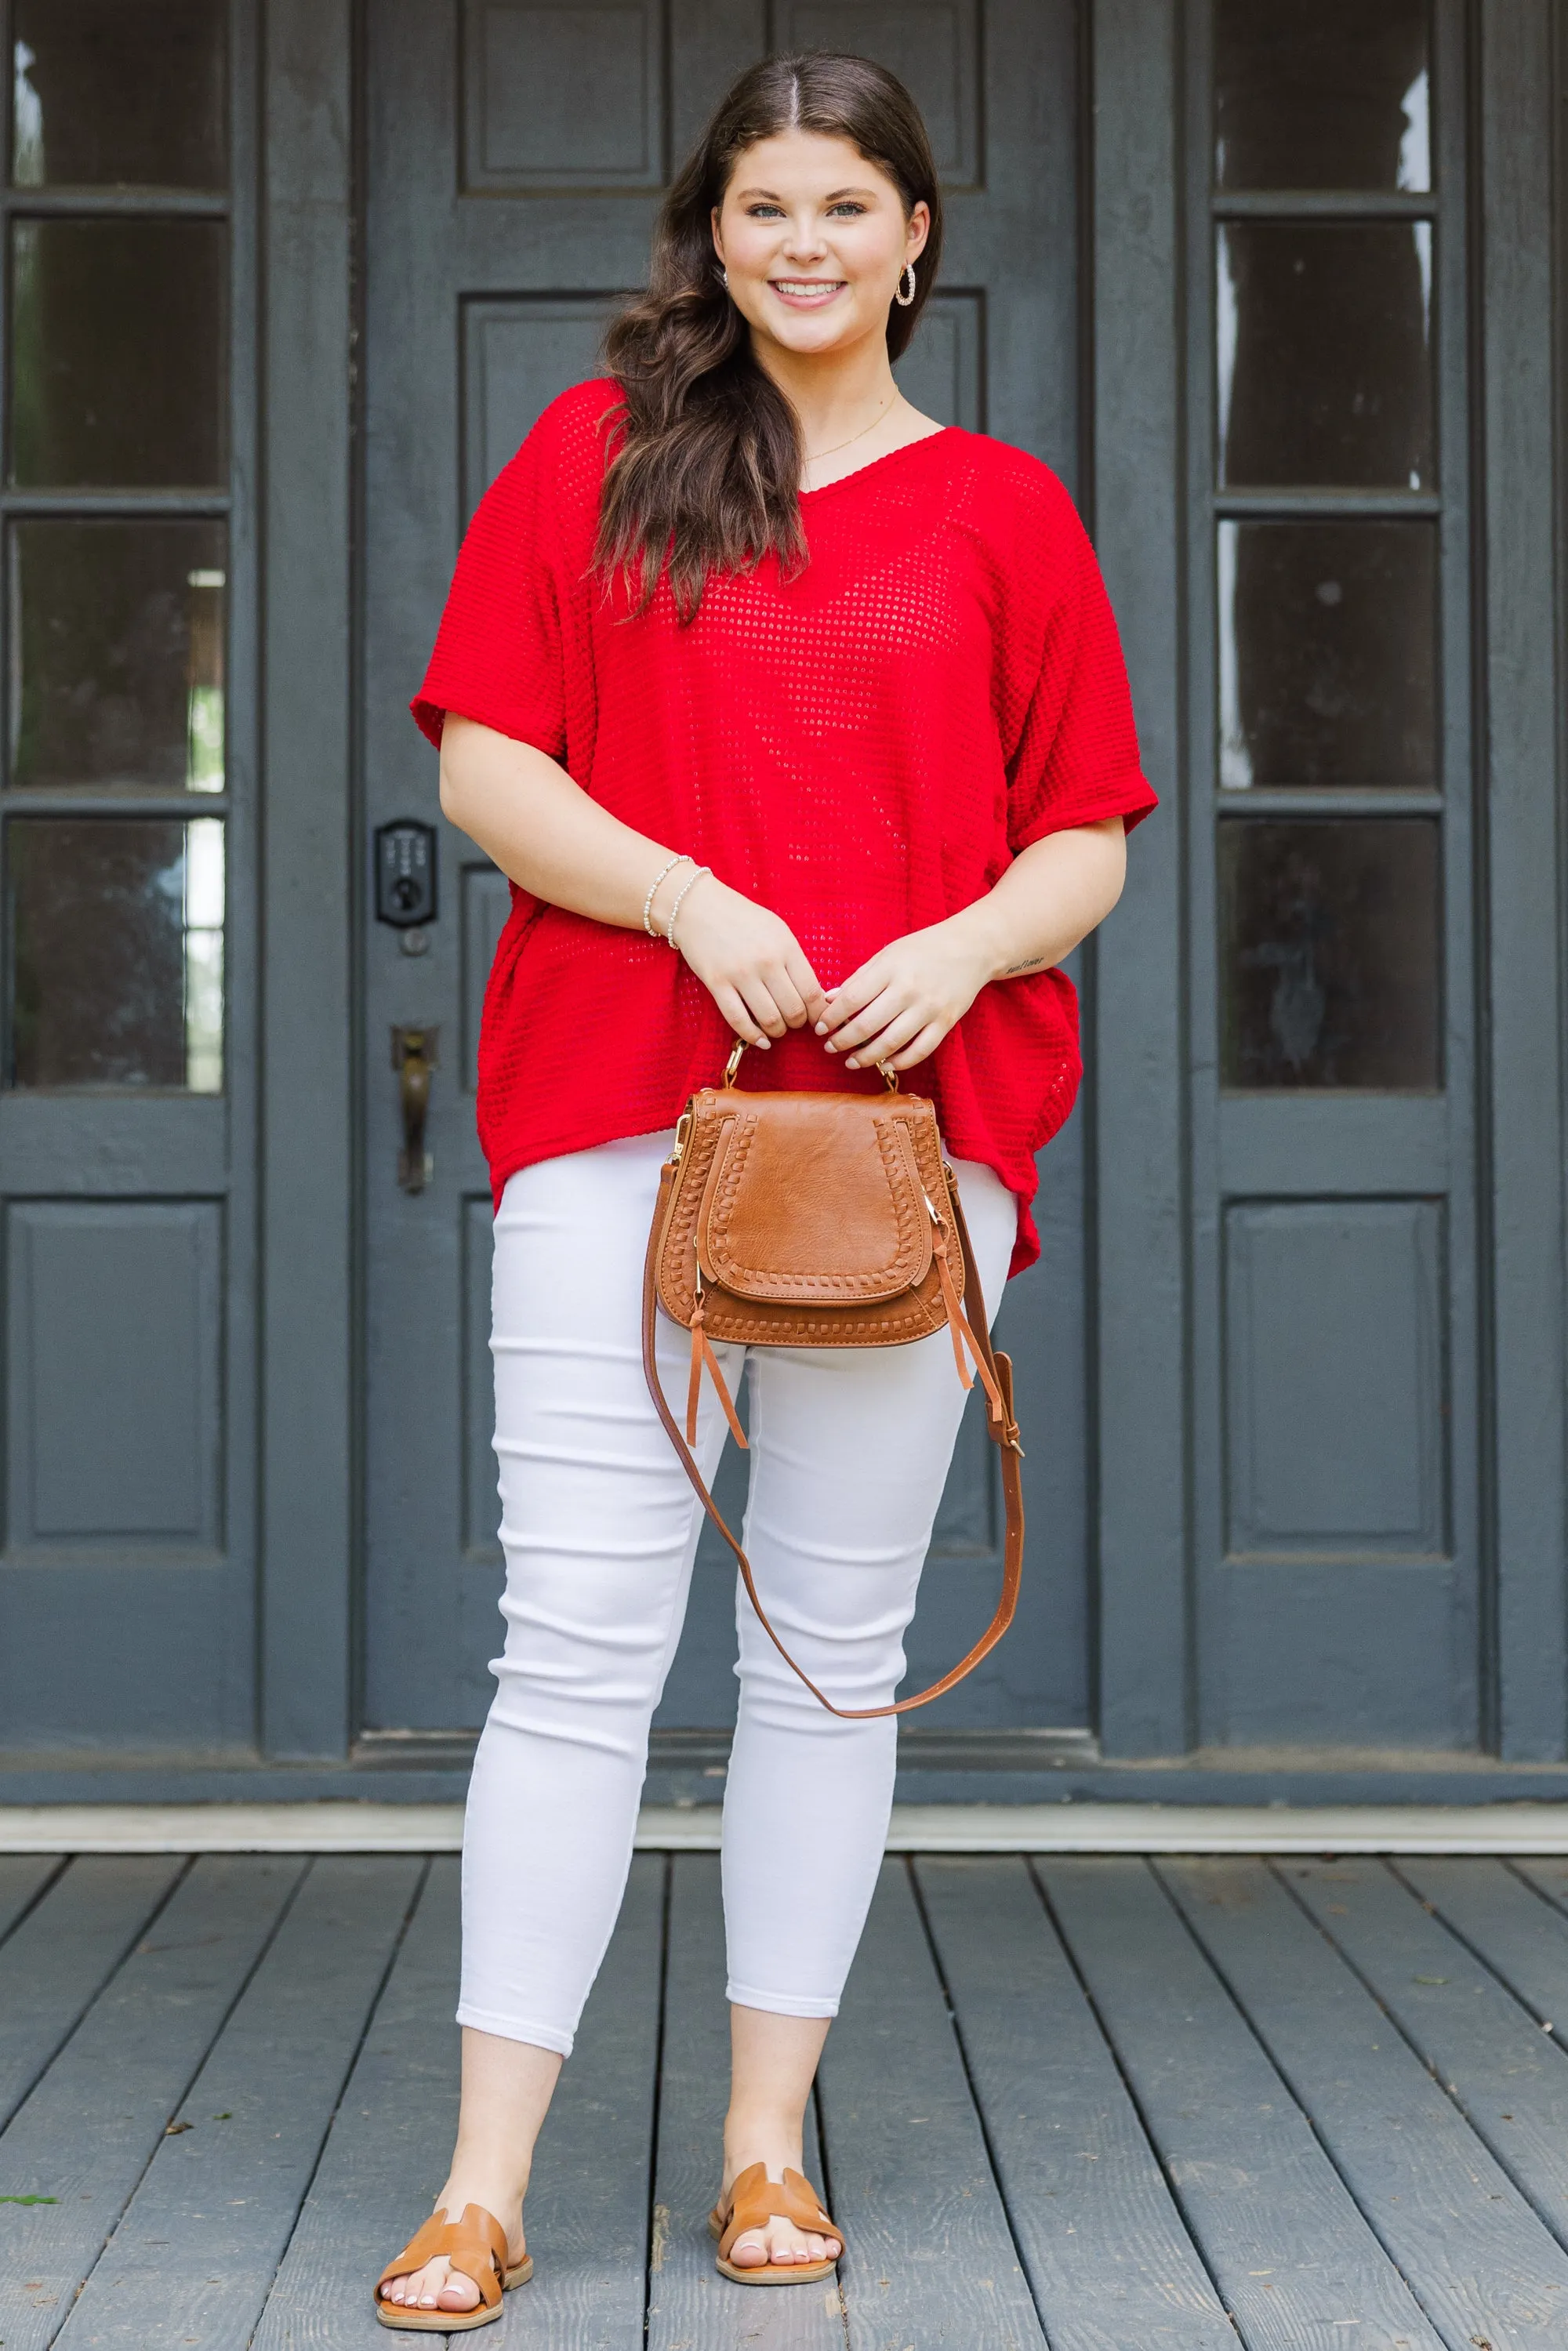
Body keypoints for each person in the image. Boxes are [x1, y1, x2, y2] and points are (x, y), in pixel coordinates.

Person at [374, 47, 1155, 2327]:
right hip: (619, 1121)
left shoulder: (1006, 512)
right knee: (579, 1653)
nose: (801, 243)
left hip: (912, 1150)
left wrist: (964, 942)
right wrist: (692, 898)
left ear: (918, 232)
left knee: (828, 1662)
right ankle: (484, 2173)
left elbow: (1088, 830)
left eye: (845, 204)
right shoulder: (601, 464)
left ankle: (760, 2145)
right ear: (709, 234)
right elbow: (497, 764)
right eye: (760, 206)